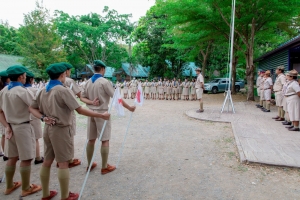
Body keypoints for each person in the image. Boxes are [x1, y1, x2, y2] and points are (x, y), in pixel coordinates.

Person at [29, 63, 110, 200]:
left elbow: (32, 108)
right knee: (63, 163)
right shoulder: (62, 90)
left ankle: (45, 193)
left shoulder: (43, 90)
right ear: (63, 75)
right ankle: (65, 196)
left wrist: (43, 118)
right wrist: (100, 115)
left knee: (47, 161)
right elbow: (79, 109)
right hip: (61, 129)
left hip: (48, 129)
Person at [80, 60, 136, 175]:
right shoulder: (104, 82)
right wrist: (129, 107)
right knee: (105, 139)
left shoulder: (88, 82)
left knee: (91, 139)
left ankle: (89, 164)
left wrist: (91, 102)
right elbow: (117, 98)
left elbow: (82, 98)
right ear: (102, 69)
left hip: (91, 112)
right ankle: (104, 166)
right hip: (102, 113)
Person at [0, 65, 42, 197]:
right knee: (26, 158)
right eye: (24, 75)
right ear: (20, 77)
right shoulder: (23, 91)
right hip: (23, 127)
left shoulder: (4, 91)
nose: (25, 78)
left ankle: (9, 185)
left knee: (12, 157)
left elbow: (0, 112)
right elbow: (34, 107)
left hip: (10, 127)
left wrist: (6, 126)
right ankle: (26, 187)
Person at [62, 62, 84, 168]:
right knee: (69, 135)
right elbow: (80, 95)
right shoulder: (69, 81)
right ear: (66, 71)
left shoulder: (52, 82)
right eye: (69, 70)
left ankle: (60, 158)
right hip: (68, 112)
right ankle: (69, 159)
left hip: (56, 112)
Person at [24, 71, 44, 165]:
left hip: (23, 116)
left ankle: (23, 156)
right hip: (34, 116)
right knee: (35, 138)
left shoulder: (20, 90)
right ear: (31, 80)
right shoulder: (35, 90)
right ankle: (37, 157)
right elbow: (40, 105)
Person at [0, 70, 10, 160]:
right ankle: (7, 153)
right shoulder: (6, 88)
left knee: (3, 134)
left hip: (1, 114)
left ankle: (5, 153)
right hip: (4, 114)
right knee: (6, 133)